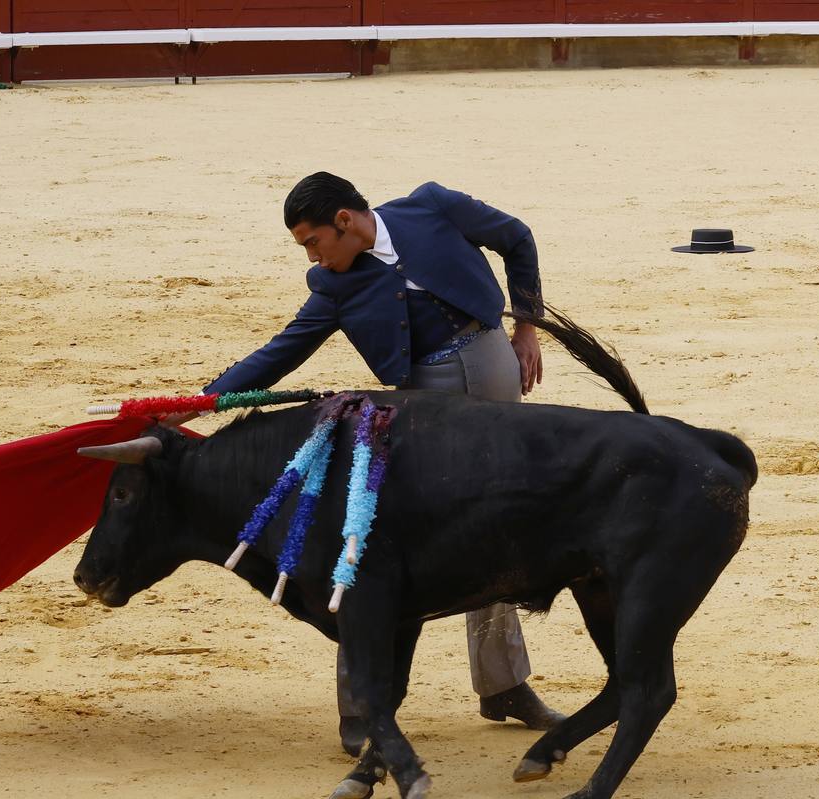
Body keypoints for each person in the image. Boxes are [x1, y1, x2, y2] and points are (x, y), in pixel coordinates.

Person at [183, 172, 564, 755]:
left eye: (313, 242)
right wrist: (202, 401)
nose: (311, 257)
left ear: (345, 221)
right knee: (374, 537)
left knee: (498, 526)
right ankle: (360, 709)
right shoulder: (333, 285)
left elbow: (517, 236)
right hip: (419, 402)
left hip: (491, 362)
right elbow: (281, 351)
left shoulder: (432, 207)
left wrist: (527, 327)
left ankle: (504, 684)